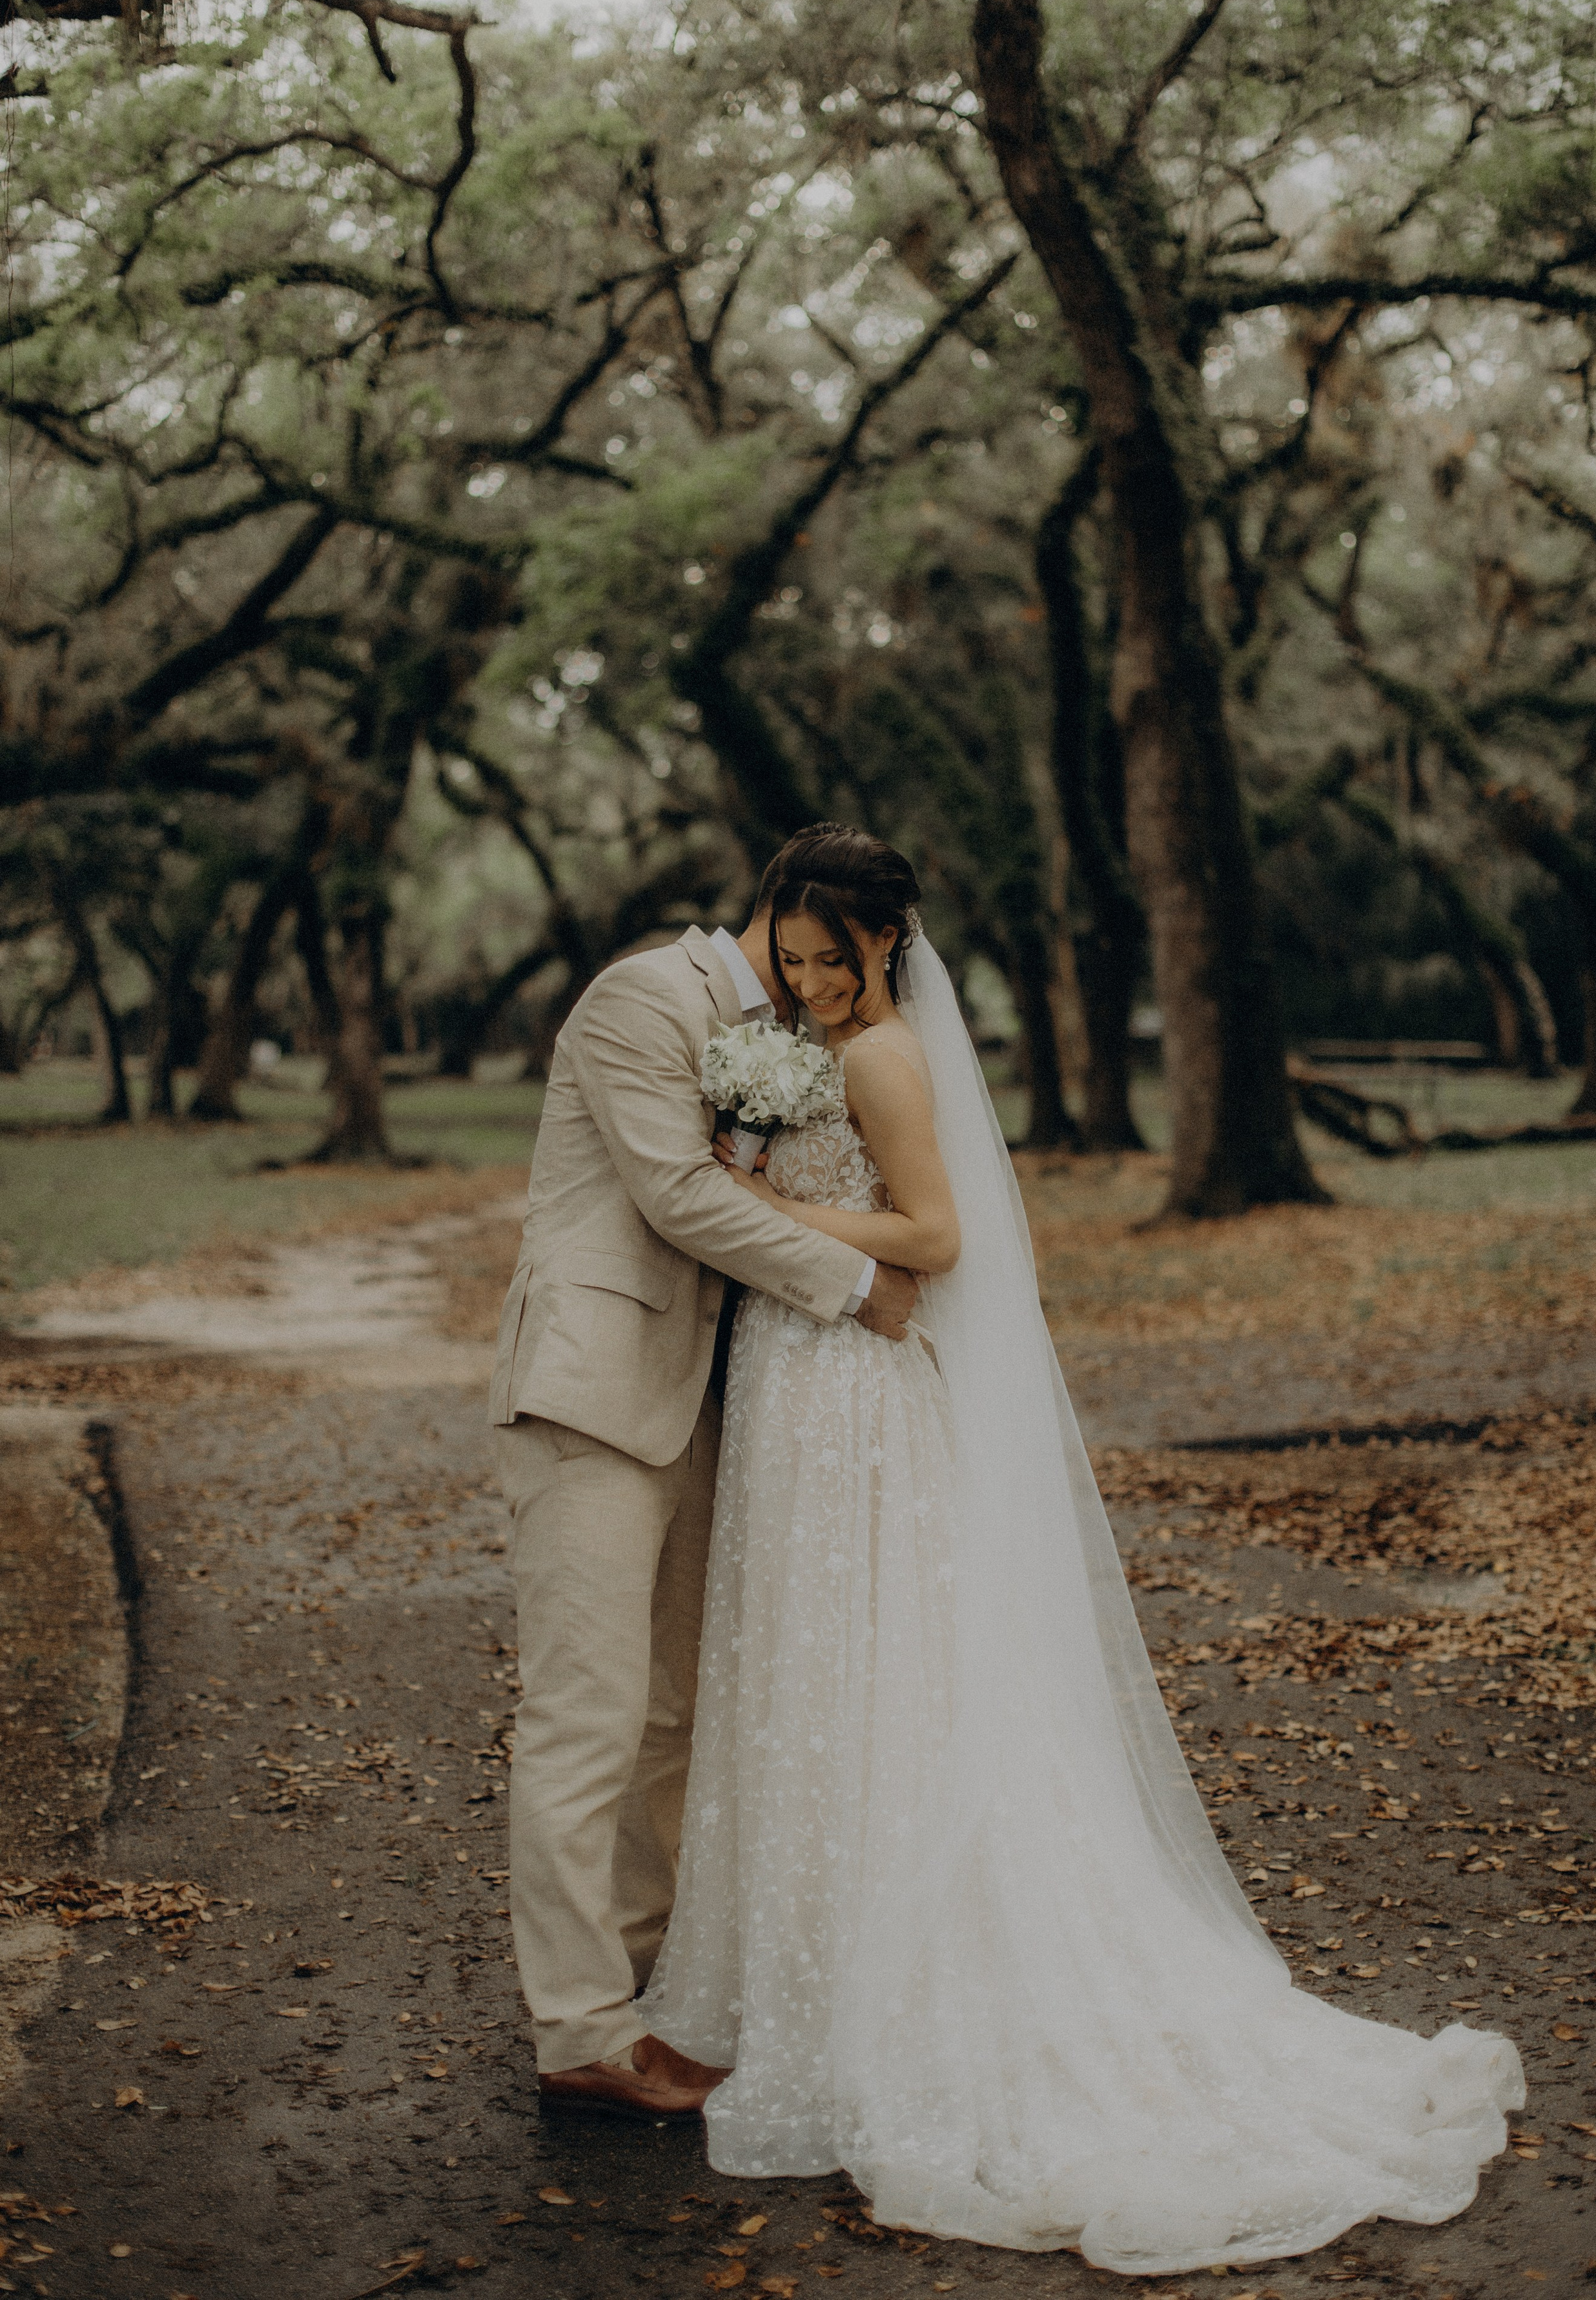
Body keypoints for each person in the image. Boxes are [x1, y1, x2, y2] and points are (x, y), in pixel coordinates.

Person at [633, 825, 1525, 2276]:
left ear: (886, 944)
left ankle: (884, 1990)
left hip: (852, 1393)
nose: (805, 983)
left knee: (869, 1679)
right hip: (806, 1384)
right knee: (827, 1675)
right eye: (787, 958)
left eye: (831, 959)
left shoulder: (876, 1058)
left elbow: (935, 1235)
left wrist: (758, 1205)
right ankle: (820, 1974)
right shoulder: (819, 1045)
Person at [489, 876, 919, 2117]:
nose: (820, 977)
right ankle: (578, 2027)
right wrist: (850, 1286)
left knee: (676, 1710)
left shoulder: (788, 1034)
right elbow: (677, 1192)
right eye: (810, 951)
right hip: (593, 1388)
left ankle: (647, 1978)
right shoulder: (642, 997)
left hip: (704, 1398)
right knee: (586, 1711)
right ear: (778, 917)